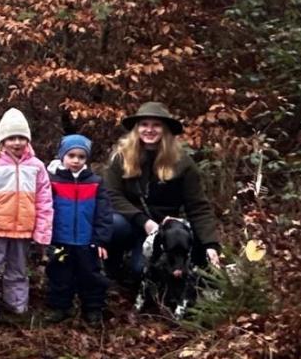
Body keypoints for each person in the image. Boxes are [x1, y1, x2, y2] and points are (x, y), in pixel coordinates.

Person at [103, 102, 221, 275]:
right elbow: (111, 194)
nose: (149, 130)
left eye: (156, 125)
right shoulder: (120, 158)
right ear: (137, 129)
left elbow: (197, 206)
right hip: (129, 221)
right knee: (112, 224)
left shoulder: (182, 163)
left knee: (141, 270)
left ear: (165, 129)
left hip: (161, 230)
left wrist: (210, 244)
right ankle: (111, 266)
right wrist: (143, 221)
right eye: (144, 124)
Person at [0, 109, 53, 328]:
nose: (17, 142)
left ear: (28, 139)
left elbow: (44, 201)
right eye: (11, 138)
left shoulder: (36, 167)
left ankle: (16, 307)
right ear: (2, 140)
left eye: (21, 138)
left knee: (18, 270)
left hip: (24, 229)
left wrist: (42, 231)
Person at [46, 134, 115, 326]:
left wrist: (100, 240)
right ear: (62, 156)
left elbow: (104, 214)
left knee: (91, 275)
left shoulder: (95, 182)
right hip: (61, 240)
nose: (76, 160)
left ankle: (92, 309)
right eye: (71, 155)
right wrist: (46, 237)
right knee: (59, 274)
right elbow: (45, 209)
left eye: (81, 157)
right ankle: (60, 307)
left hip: (87, 241)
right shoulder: (52, 181)